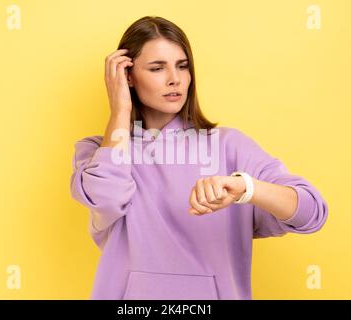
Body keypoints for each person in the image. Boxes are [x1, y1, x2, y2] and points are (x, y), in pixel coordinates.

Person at [70, 16, 328, 300]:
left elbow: (311, 212)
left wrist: (246, 189)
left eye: (182, 66)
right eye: (157, 68)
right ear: (128, 77)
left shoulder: (229, 146)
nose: (175, 79)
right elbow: (107, 198)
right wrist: (119, 111)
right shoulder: (98, 152)